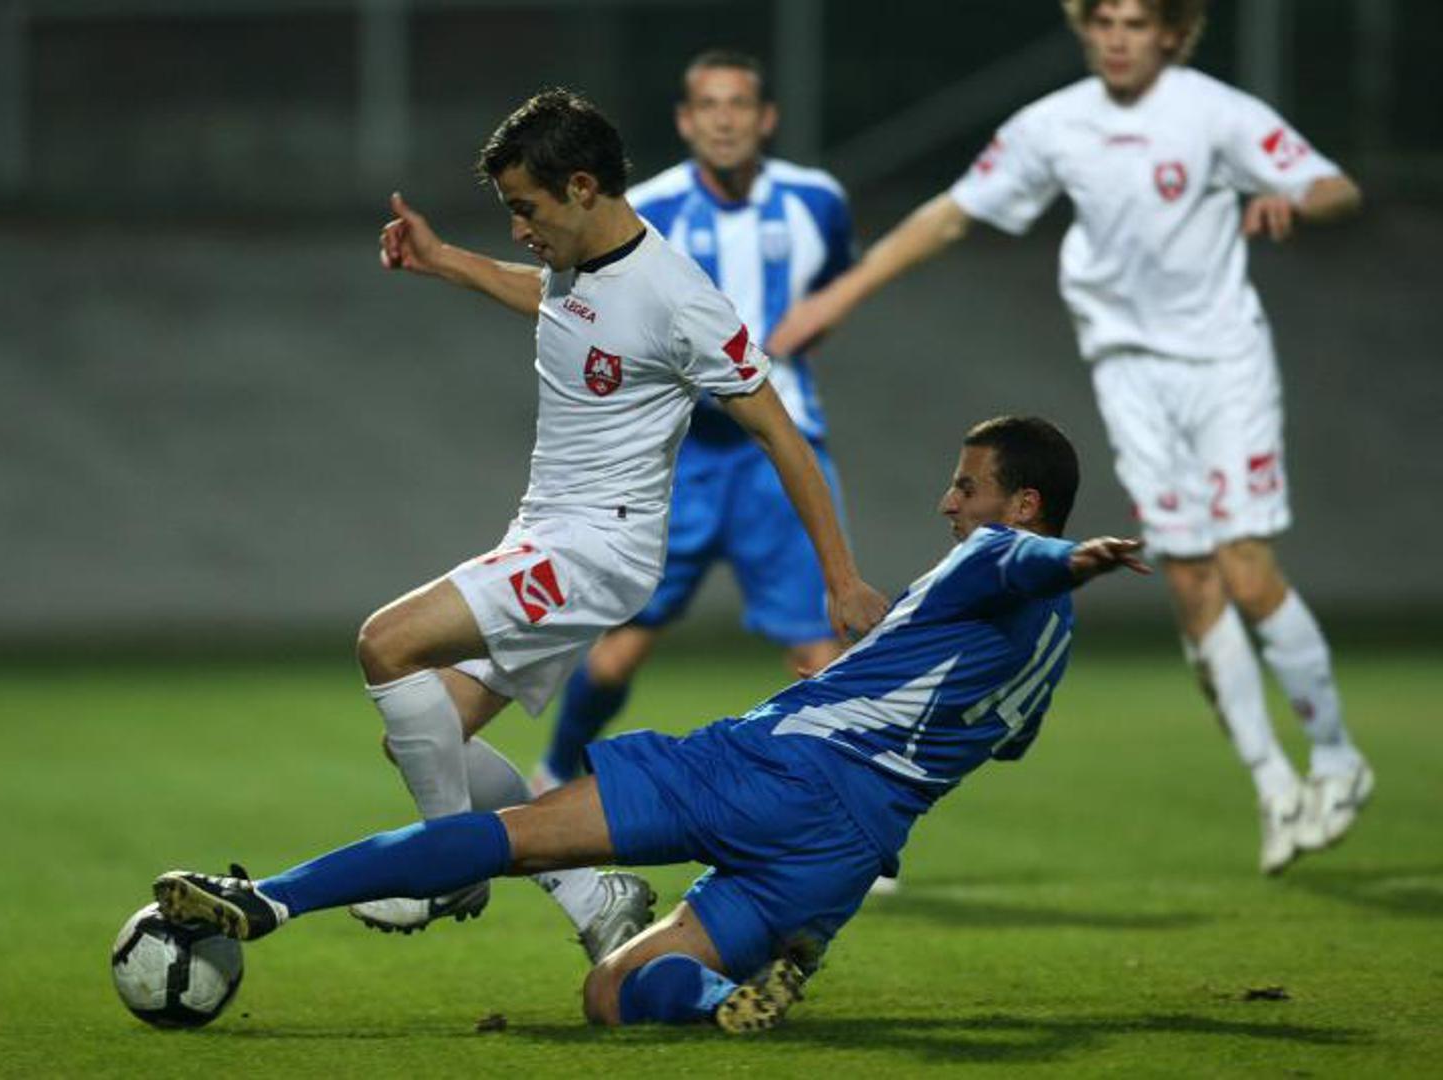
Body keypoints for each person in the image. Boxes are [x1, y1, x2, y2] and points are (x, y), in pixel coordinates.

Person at [154, 416, 1150, 1033]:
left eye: (967, 486)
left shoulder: (999, 555)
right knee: (613, 995)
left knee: (507, 837)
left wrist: (1076, 557)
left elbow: (1025, 562)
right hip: (841, 856)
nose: (948, 502)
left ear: (1024, 505)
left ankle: (268, 901)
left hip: (768, 774)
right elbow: (1001, 737)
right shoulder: (1049, 649)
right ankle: (721, 1002)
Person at [766, 0, 1370, 875]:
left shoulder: (1216, 113)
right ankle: (1276, 784)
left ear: (1171, 32)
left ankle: (1338, 758)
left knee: (1243, 568)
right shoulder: (1056, 125)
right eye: (1103, 21)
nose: (1117, 37)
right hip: (1129, 372)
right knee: (1190, 580)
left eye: (1136, 22)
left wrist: (1295, 199)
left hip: (1222, 364)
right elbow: (951, 214)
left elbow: (1335, 186)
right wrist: (838, 297)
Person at [346, 88, 887, 957]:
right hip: (547, 535)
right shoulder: (580, 264)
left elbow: (780, 433)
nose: (519, 228)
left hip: (595, 548)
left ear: (583, 187)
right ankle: (592, 896)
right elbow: (552, 301)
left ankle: (447, 865)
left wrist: (842, 577)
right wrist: (444, 260)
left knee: (385, 644)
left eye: (526, 208)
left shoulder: (678, 296)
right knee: (424, 736)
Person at [529, 50, 857, 799]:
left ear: (766, 118)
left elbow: (832, 288)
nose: (724, 120)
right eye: (708, 105)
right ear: (685, 120)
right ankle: (553, 774)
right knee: (618, 651)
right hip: (680, 457)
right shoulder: (649, 208)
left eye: (738, 104)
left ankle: (830, 812)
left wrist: (807, 329)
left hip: (776, 451)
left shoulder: (816, 202)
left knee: (821, 654)